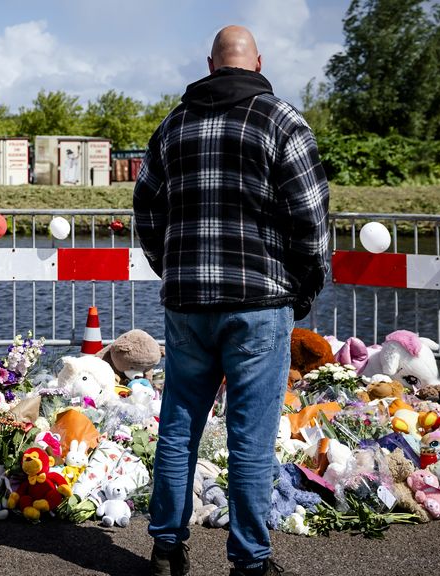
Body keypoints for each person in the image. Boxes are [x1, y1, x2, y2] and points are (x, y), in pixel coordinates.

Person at [134, 25, 330, 576]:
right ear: (258, 62)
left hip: (188, 304)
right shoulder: (282, 121)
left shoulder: (173, 125)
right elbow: (311, 220)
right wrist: (305, 286)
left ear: (210, 63)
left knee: (178, 425)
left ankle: (166, 550)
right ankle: (250, 561)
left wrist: (172, 269)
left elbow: (145, 210)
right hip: (260, 301)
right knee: (251, 434)